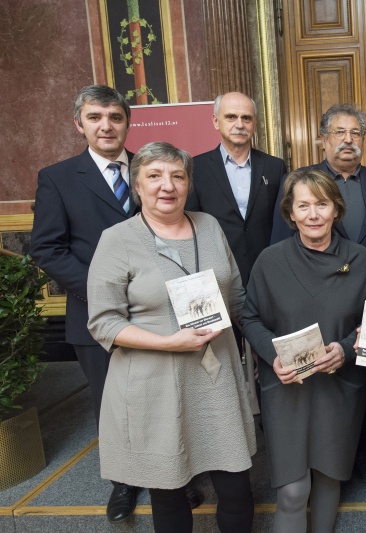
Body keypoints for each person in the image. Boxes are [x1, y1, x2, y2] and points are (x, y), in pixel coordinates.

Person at [86, 142, 257, 532]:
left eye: (178, 176)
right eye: (155, 176)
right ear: (137, 186)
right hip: (155, 383)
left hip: (216, 378)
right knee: (169, 490)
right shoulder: (117, 239)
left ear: (188, 184)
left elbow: (237, 295)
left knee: (236, 487)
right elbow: (103, 322)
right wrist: (169, 342)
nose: (168, 185)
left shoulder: (209, 226)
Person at [241, 169, 366, 532]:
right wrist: (273, 357)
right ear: (290, 213)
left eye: (322, 204)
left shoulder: (361, 259)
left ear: (336, 209)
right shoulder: (270, 261)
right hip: (287, 388)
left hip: (339, 386)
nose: (313, 214)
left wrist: (346, 350)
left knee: (329, 480)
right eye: (303, 205)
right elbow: (249, 317)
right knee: (292, 491)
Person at [30, 85, 142, 522]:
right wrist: (104, 292)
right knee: (112, 403)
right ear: (80, 125)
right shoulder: (57, 177)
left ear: (127, 123)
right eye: (95, 117)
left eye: (115, 116)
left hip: (158, 311)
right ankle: (124, 481)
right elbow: (47, 249)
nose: (106, 125)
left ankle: (175, 475)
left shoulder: (152, 168)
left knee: (164, 395)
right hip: (96, 314)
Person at [271, 103, 366, 266]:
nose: (348, 139)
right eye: (340, 132)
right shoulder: (297, 182)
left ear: (363, 140)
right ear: (324, 139)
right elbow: (281, 243)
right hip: (316, 281)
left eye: (355, 133)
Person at [185, 91, 286, 287]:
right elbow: (190, 226)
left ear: (254, 124)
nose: (239, 125)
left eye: (246, 118)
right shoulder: (195, 168)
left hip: (267, 271)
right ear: (216, 121)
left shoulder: (275, 167)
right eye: (231, 117)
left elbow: (282, 222)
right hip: (216, 274)